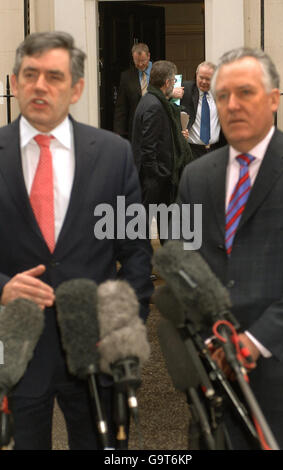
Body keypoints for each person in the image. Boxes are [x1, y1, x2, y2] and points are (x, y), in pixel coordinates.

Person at [1, 31, 153, 450]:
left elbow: (136, 253)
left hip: (95, 346)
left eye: (54, 76)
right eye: (29, 75)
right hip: (17, 345)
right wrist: (3, 288)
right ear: (14, 83)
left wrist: (123, 324)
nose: (39, 86)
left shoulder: (113, 153)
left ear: (77, 88)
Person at [175, 47, 283, 449]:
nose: (232, 105)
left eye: (245, 93)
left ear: (273, 99)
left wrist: (254, 340)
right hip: (212, 372)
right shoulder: (195, 176)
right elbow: (181, 260)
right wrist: (210, 340)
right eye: (223, 95)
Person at [131, 60, 192, 242]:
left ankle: (162, 266)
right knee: (144, 229)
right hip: (155, 180)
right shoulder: (154, 106)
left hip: (156, 178)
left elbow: (160, 137)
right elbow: (148, 147)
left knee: (163, 226)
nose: (174, 85)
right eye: (173, 81)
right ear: (166, 83)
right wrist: (160, 174)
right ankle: (143, 268)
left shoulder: (152, 100)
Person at [113, 43, 184, 141]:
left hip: (159, 122)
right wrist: (118, 132)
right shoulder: (126, 76)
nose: (140, 64)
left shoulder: (161, 71)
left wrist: (172, 93)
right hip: (136, 126)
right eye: (137, 61)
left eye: (143, 61)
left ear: (149, 56)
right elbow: (121, 106)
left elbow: (167, 93)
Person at [181, 61, 226, 159]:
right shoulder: (186, 89)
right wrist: (172, 93)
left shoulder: (221, 93)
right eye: (201, 77)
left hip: (216, 150)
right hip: (192, 151)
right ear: (196, 75)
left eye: (208, 79)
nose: (204, 82)